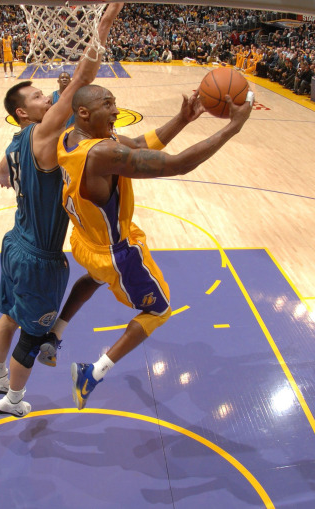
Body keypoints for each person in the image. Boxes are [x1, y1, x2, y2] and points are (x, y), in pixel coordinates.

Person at [57, 84, 252, 409]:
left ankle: (55, 332)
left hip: (83, 240)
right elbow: (177, 164)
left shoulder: (70, 138)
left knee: (93, 277)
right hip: (115, 252)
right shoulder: (103, 154)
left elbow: (137, 144)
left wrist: (182, 119)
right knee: (158, 310)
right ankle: (92, 373)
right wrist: (233, 127)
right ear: (84, 113)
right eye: (109, 104)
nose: (116, 110)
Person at [0, 3, 123, 418]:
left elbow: (4, 165)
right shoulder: (43, 134)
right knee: (33, 335)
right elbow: (82, 79)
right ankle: (12, 401)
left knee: (8, 314)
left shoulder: (17, 141)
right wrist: (105, 23)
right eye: (40, 97)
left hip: (14, 243)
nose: (48, 98)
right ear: (23, 113)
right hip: (39, 258)